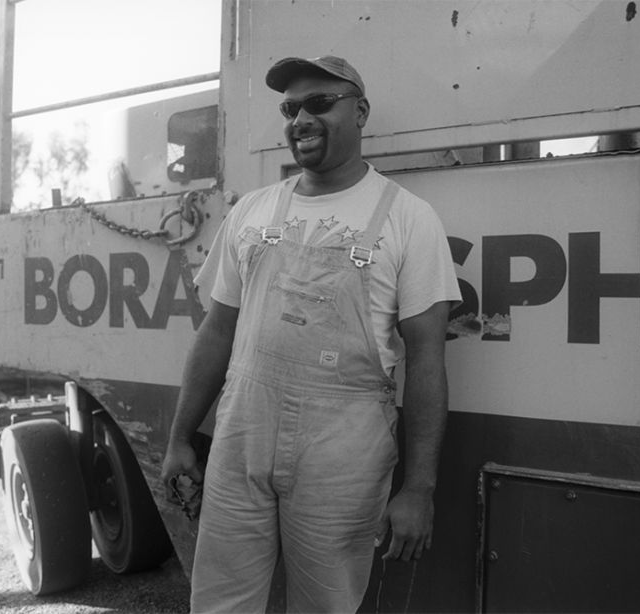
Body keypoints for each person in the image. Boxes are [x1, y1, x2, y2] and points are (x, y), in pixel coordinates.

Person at [160, 55, 462, 613]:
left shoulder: (408, 219)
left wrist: (419, 487)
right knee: (220, 602)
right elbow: (217, 329)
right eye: (290, 107)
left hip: (342, 452)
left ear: (361, 111)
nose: (301, 118)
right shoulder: (252, 211)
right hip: (240, 441)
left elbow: (426, 359)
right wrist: (181, 435)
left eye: (320, 103)